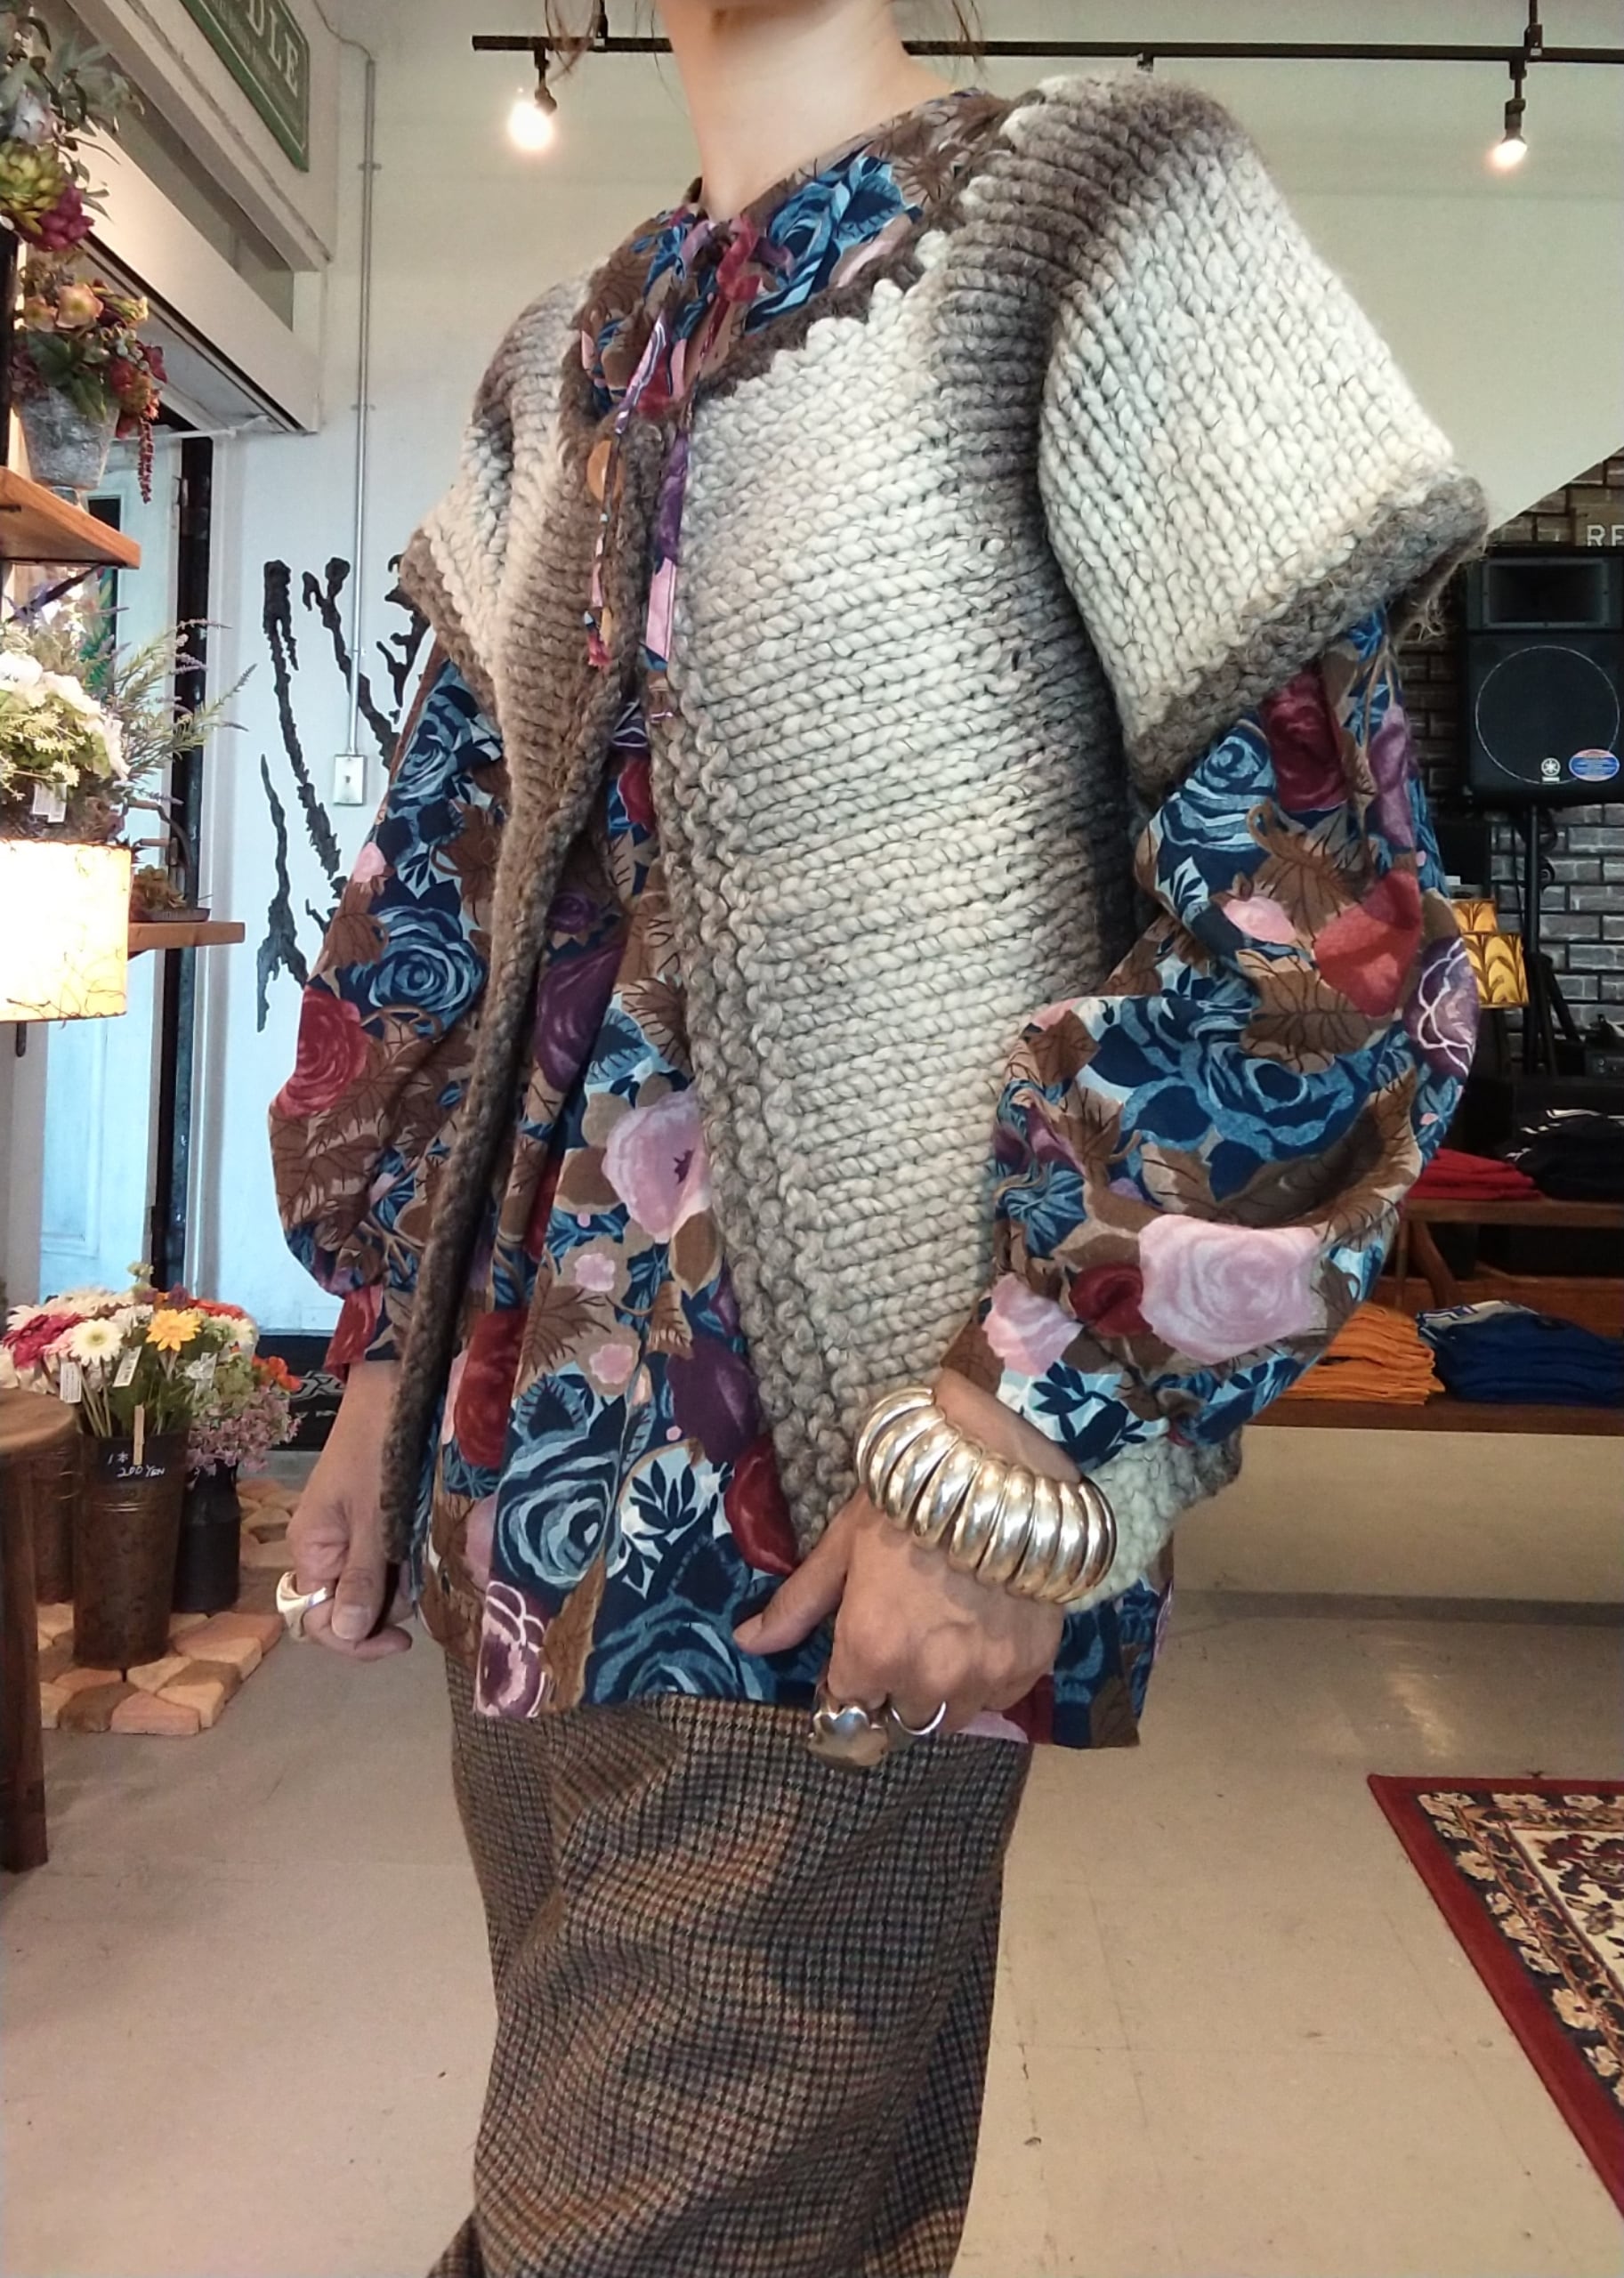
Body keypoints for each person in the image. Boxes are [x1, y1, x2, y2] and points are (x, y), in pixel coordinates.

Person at [270, 3, 1485, 2270]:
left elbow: (1326, 930)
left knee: (648, 2225)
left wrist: (1028, 1428)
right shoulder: (558, 364)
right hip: (510, 1506)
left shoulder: (1102, 218)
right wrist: (370, 1371)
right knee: (713, 2203)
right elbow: (438, 914)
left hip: (844, 1497)